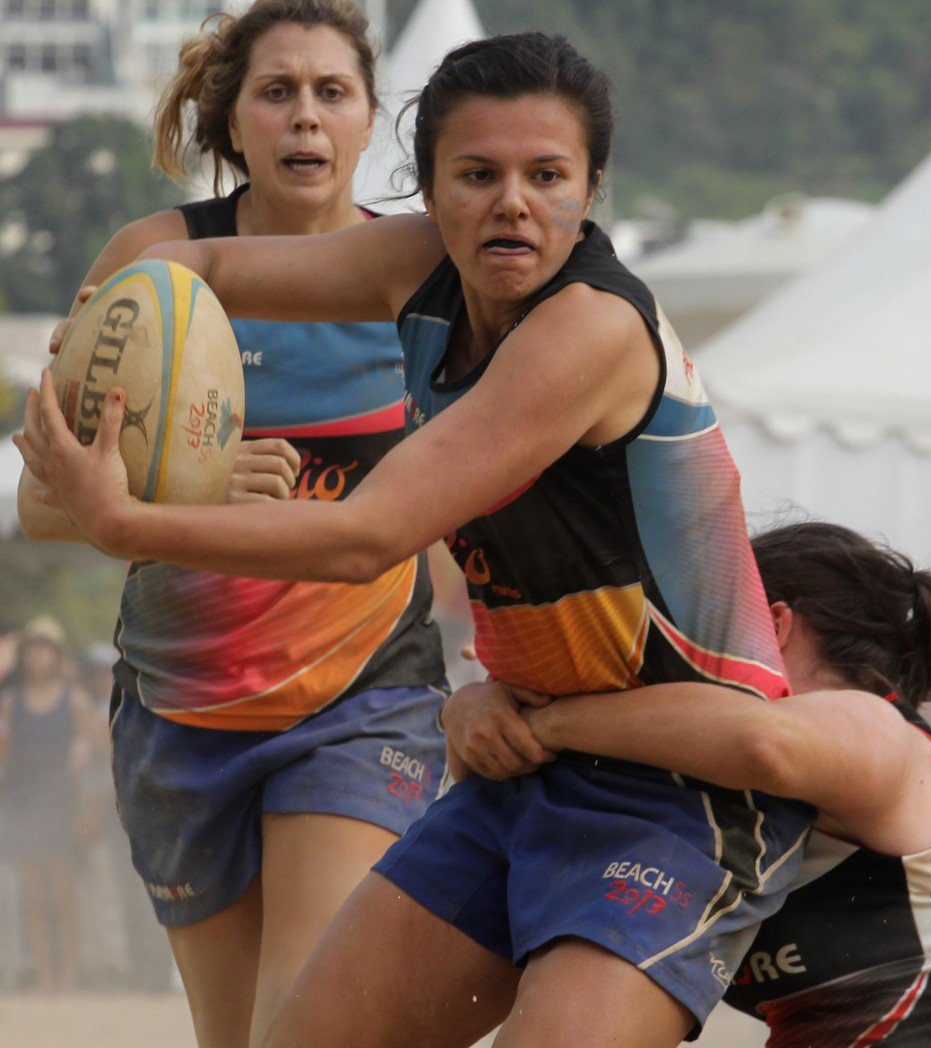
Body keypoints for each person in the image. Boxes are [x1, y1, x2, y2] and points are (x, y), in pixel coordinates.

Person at [18, 32, 815, 1047]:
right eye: (476, 175)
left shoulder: (592, 332)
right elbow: (211, 260)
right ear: (428, 192)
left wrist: (123, 519)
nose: (511, 203)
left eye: (548, 176)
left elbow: (369, 537)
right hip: (519, 749)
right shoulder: (418, 265)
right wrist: (121, 298)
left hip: (679, 779)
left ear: (593, 188)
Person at [19, 2, 448, 1044]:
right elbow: (43, 503)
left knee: (304, 1020)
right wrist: (187, 494)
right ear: (233, 123)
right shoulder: (154, 262)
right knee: (236, 1034)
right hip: (181, 704)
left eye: (331, 93)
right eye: (278, 92)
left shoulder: (425, 276)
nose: (306, 117)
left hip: (364, 698)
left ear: (367, 121)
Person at [452, 521, 931, 1046]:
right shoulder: (716, 771)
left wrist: (547, 721)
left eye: (684, 631)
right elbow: (502, 806)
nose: (667, 660)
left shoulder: (885, 734)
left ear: (773, 625)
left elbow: (767, 747)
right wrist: (477, 711)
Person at [0, 615, 94, 994]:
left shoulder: (74, 700)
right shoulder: (11, 703)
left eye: (46, 650)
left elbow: (92, 752)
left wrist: (85, 805)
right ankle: (44, 978)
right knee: (34, 898)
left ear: (57, 655)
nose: (39, 658)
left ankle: (69, 975)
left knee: (63, 894)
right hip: (25, 803)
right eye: (33, 650)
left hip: (61, 803)